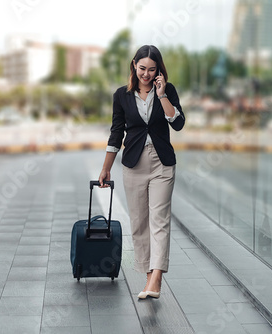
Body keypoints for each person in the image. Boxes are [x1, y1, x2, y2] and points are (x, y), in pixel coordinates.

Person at [98, 45, 185, 299]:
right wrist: (105, 168)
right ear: (134, 65)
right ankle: (148, 279)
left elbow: (178, 123)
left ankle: (156, 280)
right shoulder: (121, 96)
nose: (146, 74)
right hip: (133, 164)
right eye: (142, 68)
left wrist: (162, 96)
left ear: (159, 71)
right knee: (138, 223)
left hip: (162, 163)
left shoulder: (167, 91)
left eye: (152, 70)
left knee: (159, 220)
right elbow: (116, 133)